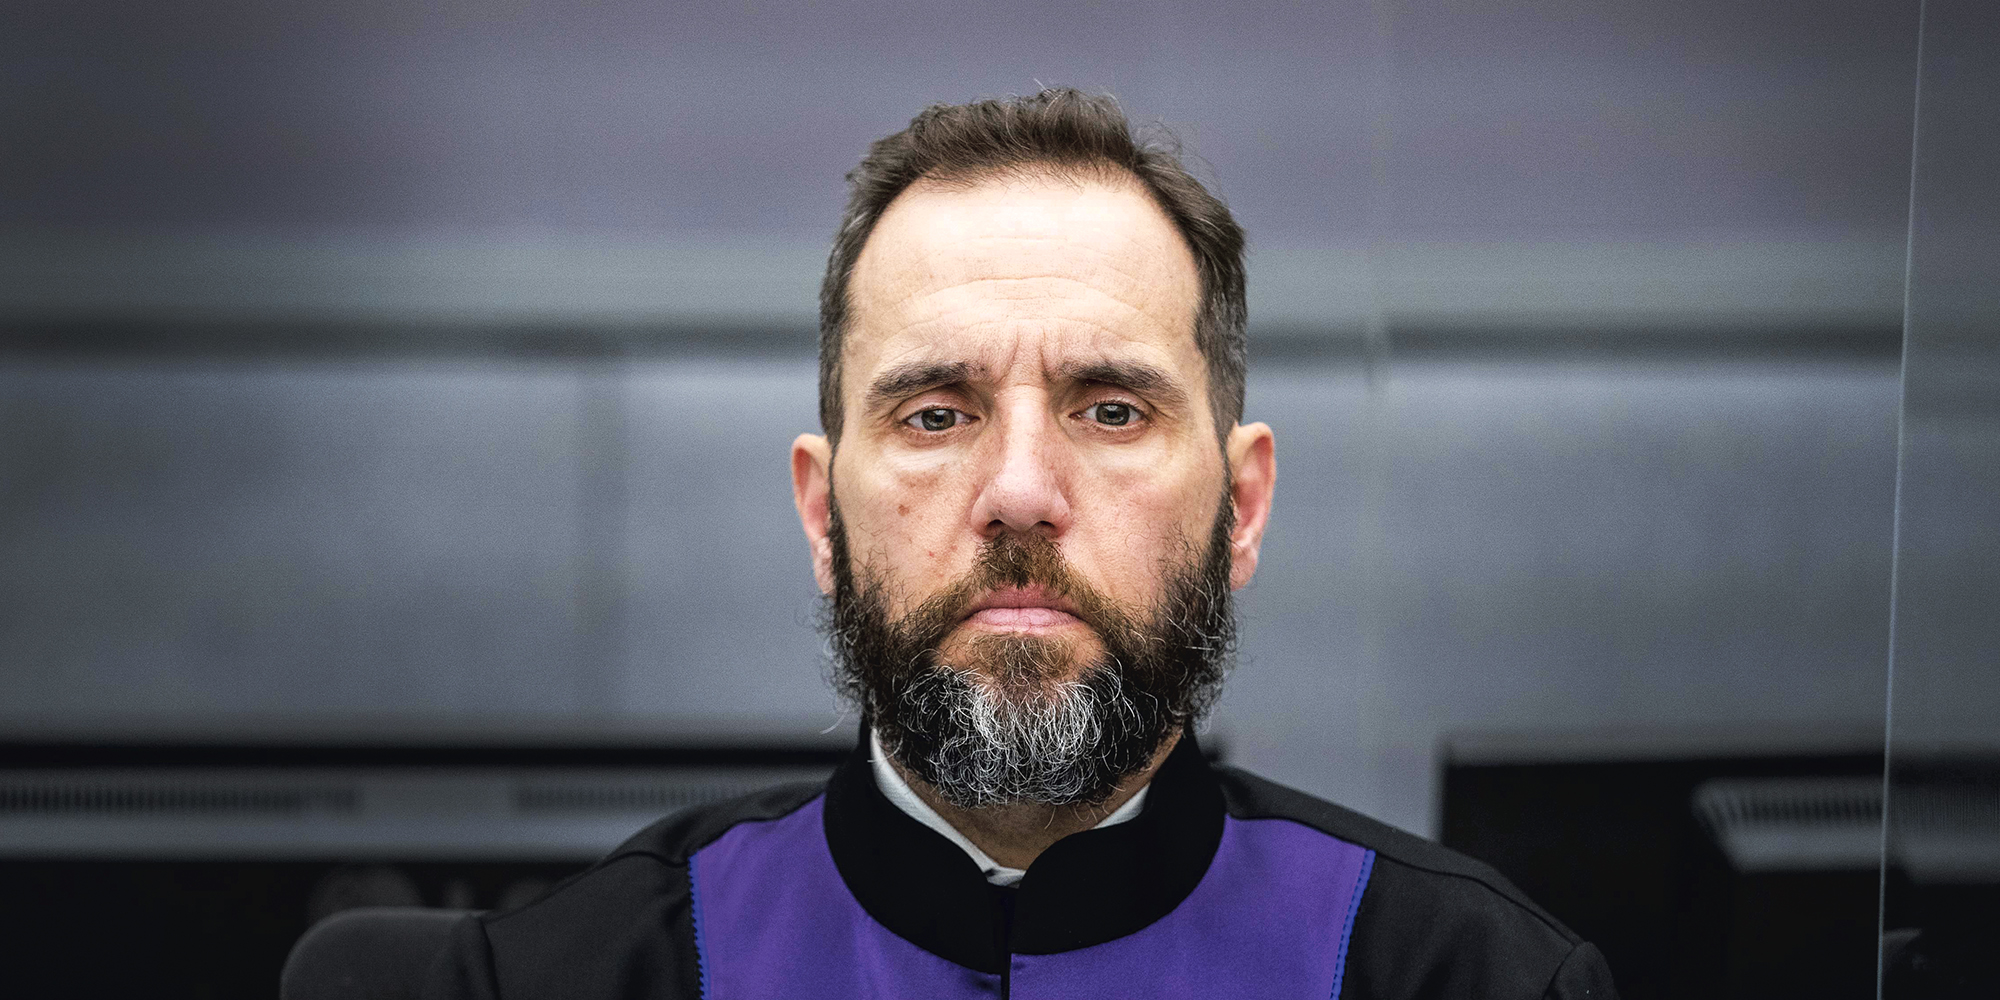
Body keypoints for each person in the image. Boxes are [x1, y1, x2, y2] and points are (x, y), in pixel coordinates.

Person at [422, 88, 1619, 1000]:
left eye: (1110, 410)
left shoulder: (1467, 974)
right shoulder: (564, 975)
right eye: (934, 415)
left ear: (1241, 505)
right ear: (820, 514)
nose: (1018, 491)